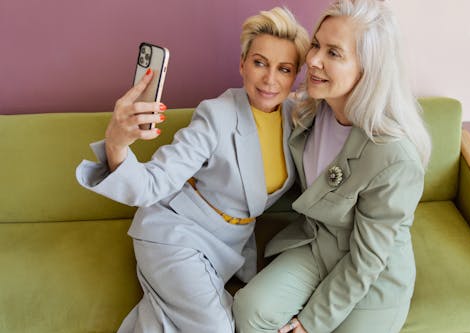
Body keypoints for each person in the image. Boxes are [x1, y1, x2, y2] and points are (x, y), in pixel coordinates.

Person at [75, 7, 309, 333]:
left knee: (164, 320)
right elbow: (155, 182)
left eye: (283, 69)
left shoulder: (297, 115)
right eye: (259, 63)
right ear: (242, 64)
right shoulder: (215, 115)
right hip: (176, 234)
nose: (270, 79)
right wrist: (116, 144)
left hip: (227, 247)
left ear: (296, 74)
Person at [232, 1, 432, 332]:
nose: (311, 60)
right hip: (316, 245)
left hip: (370, 270)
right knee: (249, 310)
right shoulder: (308, 110)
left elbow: (366, 259)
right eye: (316, 45)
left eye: (334, 53)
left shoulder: (395, 156)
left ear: (368, 69)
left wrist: (311, 323)